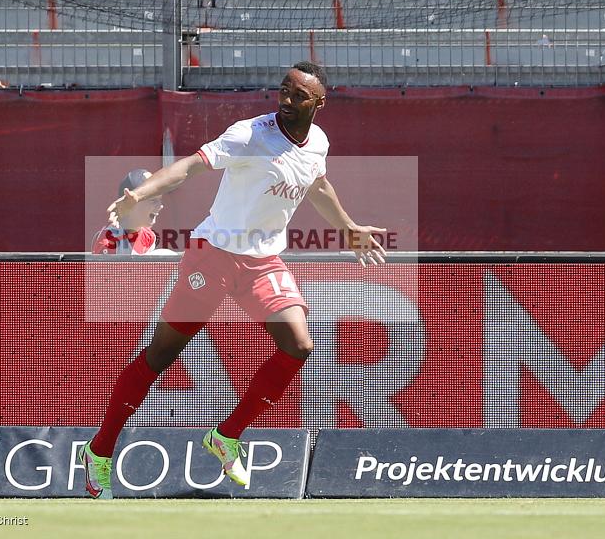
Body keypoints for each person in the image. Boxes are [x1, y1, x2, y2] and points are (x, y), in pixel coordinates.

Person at [80, 61, 387, 499]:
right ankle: (100, 450)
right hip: (212, 256)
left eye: (299, 95)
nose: (287, 99)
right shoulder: (250, 134)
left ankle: (226, 436)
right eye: (283, 89)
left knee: (298, 345)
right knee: (161, 355)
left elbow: (317, 185)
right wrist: (141, 193)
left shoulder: (318, 141)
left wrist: (348, 227)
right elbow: (189, 167)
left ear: (319, 103)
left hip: (263, 261)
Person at [90, 169, 163, 255]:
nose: (160, 206)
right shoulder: (109, 242)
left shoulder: (150, 237)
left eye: (160, 200)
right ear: (129, 203)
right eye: (153, 200)